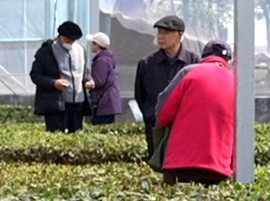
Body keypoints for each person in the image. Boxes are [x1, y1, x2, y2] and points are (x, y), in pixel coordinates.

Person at [155, 41, 235, 186]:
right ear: (228, 61)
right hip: (218, 167)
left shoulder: (189, 72)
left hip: (179, 164)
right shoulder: (236, 82)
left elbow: (164, 115)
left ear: (203, 57)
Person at [134, 15, 198, 163]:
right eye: (159, 33)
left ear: (180, 35)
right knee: (156, 165)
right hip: (155, 126)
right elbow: (140, 95)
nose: (161, 37)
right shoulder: (146, 64)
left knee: (182, 166)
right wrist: (150, 114)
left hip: (184, 126)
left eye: (166, 33)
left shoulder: (194, 62)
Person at [30, 21, 90, 133]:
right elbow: (35, 75)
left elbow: (84, 71)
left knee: (76, 137)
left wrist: (88, 80)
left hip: (77, 103)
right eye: (69, 39)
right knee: (56, 135)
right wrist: (53, 83)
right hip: (56, 104)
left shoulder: (81, 49)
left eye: (74, 40)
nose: (71, 42)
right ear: (61, 37)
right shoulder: (47, 50)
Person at [86, 32, 122, 125]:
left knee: (99, 127)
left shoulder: (101, 60)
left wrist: (85, 84)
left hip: (104, 103)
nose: (90, 45)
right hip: (110, 103)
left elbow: (98, 81)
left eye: (92, 43)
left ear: (97, 45)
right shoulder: (107, 58)